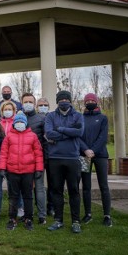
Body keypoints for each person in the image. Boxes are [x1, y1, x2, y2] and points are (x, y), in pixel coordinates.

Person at [45, 90, 85, 233]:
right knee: (56, 190)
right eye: (61, 99)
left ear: (70, 100)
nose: (63, 101)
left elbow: (79, 132)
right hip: (55, 159)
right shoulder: (50, 116)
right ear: (57, 101)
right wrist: (69, 132)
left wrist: (60, 129)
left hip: (72, 158)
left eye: (66, 99)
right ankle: (58, 220)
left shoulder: (78, 116)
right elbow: (49, 133)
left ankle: (76, 221)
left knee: (74, 190)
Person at [0, 113, 44, 231]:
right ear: (14, 124)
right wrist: (2, 168)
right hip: (12, 171)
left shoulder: (33, 136)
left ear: (26, 123)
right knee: (13, 196)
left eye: (22, 122)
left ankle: (28, 218)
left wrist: (39, 169)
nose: (19, 124)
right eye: (17, 122)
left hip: (28, 171)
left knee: (28, 196)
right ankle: (12, 219)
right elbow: (4, 153)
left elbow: (38, 153)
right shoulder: (8, 137)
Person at [79, 93, 112, 227]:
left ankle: (107, 215)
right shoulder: (80, 118)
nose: (90, 102)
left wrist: (93, 150)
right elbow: (78, 136)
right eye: (88, 100)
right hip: (84, 155)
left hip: (100, 155)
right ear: (84, 103)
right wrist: (86, 150)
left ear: (97, 102)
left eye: (93, 100)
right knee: (86, 186)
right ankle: (88, 214)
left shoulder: (103, 118)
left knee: (103, 185)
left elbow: (103, 137)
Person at [21, 93, 48, 224]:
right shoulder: (19, 118)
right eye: (25, 101)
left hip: (37, 159)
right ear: (21, 103)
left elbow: (46, 140)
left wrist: (44, 159)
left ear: (34, 103)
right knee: (26, 189)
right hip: (22, 161)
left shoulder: (41, 119)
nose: (28, 104)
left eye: (30, 102)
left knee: (39, 187)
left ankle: (42, 215)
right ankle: (28, 213)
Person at [37, 97, 54, 215]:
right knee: (38, 183)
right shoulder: (34, 118)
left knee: (52, 182)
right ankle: (38, 205)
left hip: (52, 154)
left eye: (45, 104)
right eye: (40, 105)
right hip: (38, 155)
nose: (43, 106)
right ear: (37, 107)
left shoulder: (52, 118)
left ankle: (51, 206)